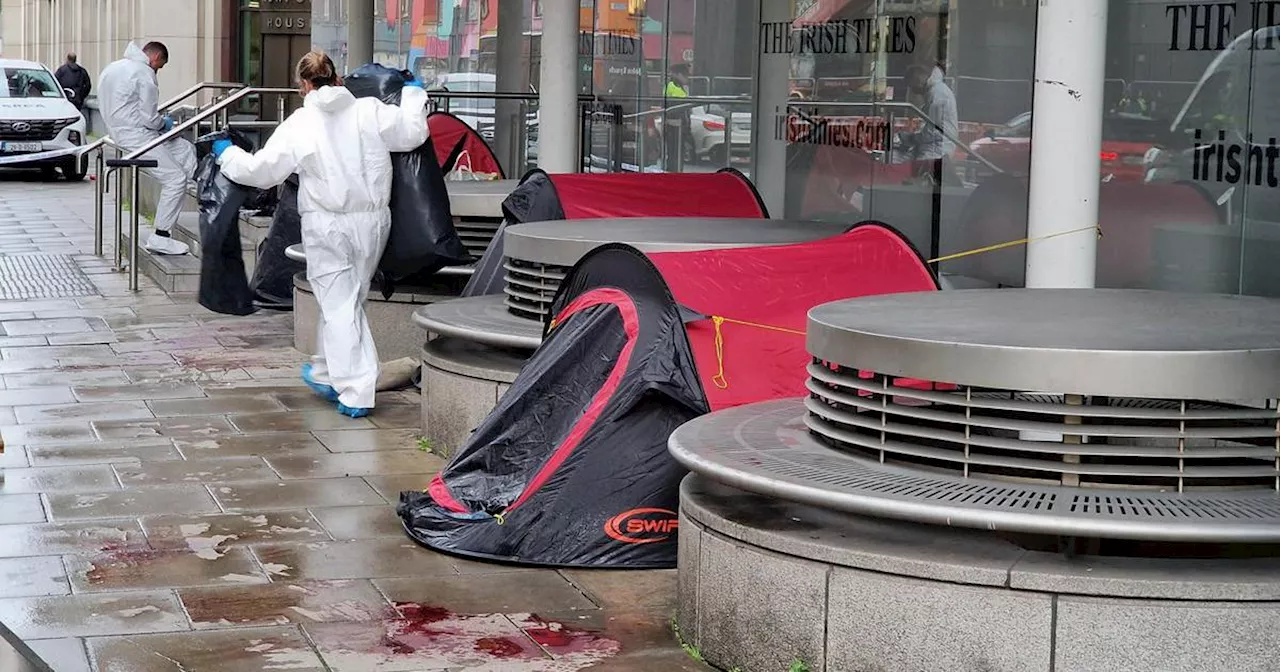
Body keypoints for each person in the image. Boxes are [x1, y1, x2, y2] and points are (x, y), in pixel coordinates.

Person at [213, 51, 429, 418]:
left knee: (339, 304)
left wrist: (226, 154)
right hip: (373, 221)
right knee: (348, 301)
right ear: (338, 78)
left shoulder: (302, 122)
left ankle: (356, 390)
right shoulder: (369, 111)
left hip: (327, 225)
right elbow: (412, 133)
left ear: (303, 85)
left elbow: (261, 172)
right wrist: (412, 93)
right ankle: (329, 370)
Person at [98, 41, 193, 256]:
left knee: (184, 150)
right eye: (160, 65)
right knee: (176, 179)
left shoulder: (113, 68)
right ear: (156, 56)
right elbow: (150, 119)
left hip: (120, 132)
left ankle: (200, 196)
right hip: (138, 135)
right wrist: (165, 124)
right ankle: (161, 236)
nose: (159, 69)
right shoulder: (145, 74)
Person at [901, 63, 961, 185]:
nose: (914, 92)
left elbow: (933, 131)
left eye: (912, 87)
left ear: (917, 81)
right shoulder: (936, 92)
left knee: (916, 182)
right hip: (936, 146)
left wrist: (913, 138)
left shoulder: (936, 95)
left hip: (937, 149)